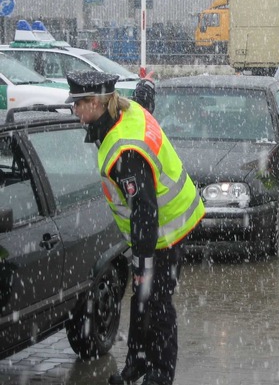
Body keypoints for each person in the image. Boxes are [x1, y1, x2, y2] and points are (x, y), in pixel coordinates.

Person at [65, 70, 205, 385]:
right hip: (160, 225)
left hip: (167, 229)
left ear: (97, 103)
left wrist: (143, 260)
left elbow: (145, 209)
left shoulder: (125, 151)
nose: (74, 109)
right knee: (141, 296)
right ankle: (137, 364)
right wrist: (147, 85)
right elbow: (145, 102)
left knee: (156, 302)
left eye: (78, 103)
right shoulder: (125, 111)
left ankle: (159, 375)